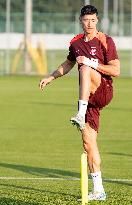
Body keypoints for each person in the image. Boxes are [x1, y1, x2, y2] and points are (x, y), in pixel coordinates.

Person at [39, 5, 120, 201]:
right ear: (81, 21)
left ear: (97, 20)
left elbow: (116, 70)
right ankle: (99, 190)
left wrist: (91, 63)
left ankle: (80, 113)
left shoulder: (105, 40)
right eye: (86, 20)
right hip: (88, 99)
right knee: (89, 144)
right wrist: (51, 77)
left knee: (84, 67)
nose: (89, 23)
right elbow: (68, 63)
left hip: (103, 90)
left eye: (93, 20)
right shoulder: (75, 42)